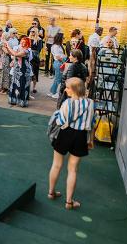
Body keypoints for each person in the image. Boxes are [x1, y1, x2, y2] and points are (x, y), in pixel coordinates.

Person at [48, 77, 95, 210]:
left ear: (74, 89)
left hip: (65, 134)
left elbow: (60, 121)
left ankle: (51, 192)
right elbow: (92, 123)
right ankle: (69, 202)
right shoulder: (91, 103)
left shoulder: (67, 103)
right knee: (73, 169)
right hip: (80, 137)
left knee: (56, 165)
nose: (65, 89)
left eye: (68, 87)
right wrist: (90, 139)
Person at [4, 37, 33, 107]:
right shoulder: (19, 49)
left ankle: (22, 101)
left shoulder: (27, 51)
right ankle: (13, 100)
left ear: (27, 43)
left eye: (24, 42)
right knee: (14, 84)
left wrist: (8, 46)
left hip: (24, 71)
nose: (22, 43)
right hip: (17, 70)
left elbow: (16, 54)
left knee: (22, 85)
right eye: (21, 41)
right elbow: (11, 53)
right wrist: (7, 48)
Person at [49, 33, 66, 99]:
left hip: (58, 62)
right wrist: (64, 61)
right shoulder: (56, 46)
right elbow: (58, 57)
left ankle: (52, 91)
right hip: (59, 62)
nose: (63, 39)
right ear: (60, 38)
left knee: (57, 78)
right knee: (58, 79)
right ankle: (54, 93)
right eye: (63, 38)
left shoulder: (58, 45)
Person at [29, 28, 44, 94]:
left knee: (35, 73)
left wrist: (30, 50)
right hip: (28, 57)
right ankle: (28, 86)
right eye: (31, 31)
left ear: (36, 32)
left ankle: (34, 87)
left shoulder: (39, 40)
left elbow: (39, 50)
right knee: (28, 73)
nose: (32, 32)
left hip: (35, 58)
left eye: (33, 31)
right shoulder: (28, 38)